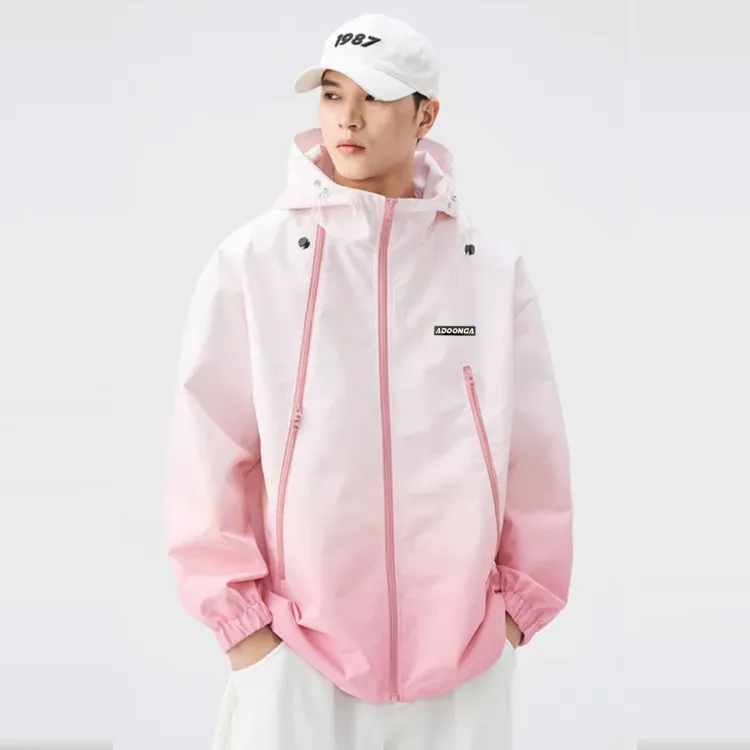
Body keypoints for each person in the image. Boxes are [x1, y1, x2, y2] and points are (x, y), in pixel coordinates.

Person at [163, 12, 573, 749]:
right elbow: (208, 448)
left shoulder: (489, 273)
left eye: (376, 97)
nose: (347, 118)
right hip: (297, 652)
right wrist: (245, 632)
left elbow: (535, 457)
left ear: (426, 115)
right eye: (332, 94)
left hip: (461, 661)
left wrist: (512, 616)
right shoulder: (253, 264)